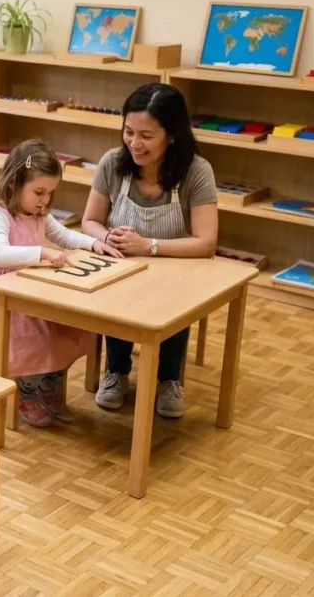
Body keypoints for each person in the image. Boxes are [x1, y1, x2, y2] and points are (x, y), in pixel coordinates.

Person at [0, 140, 121, 427]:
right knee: (35, 342)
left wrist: (95, 242)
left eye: (50, 193)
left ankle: (47, 386)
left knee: (73, 331)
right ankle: (25, 394)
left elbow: (65, 237)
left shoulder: (39, 213)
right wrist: (42, 252)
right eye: (39, 192)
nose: (45, 200)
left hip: (32, 293)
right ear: (15, 183)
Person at [81, 83, 219, 419]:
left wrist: (149, 246)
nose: (134, 143)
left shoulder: (196, 171)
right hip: (123, 265)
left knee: (174, 303)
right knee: (115, 295)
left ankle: (169, 379)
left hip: (176, 267)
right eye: (128, 131)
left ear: (171, 135)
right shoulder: (112, 163)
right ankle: (116, 371)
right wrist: (105, 239)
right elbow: (90, 221)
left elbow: (205, 242)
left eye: (146, 135)